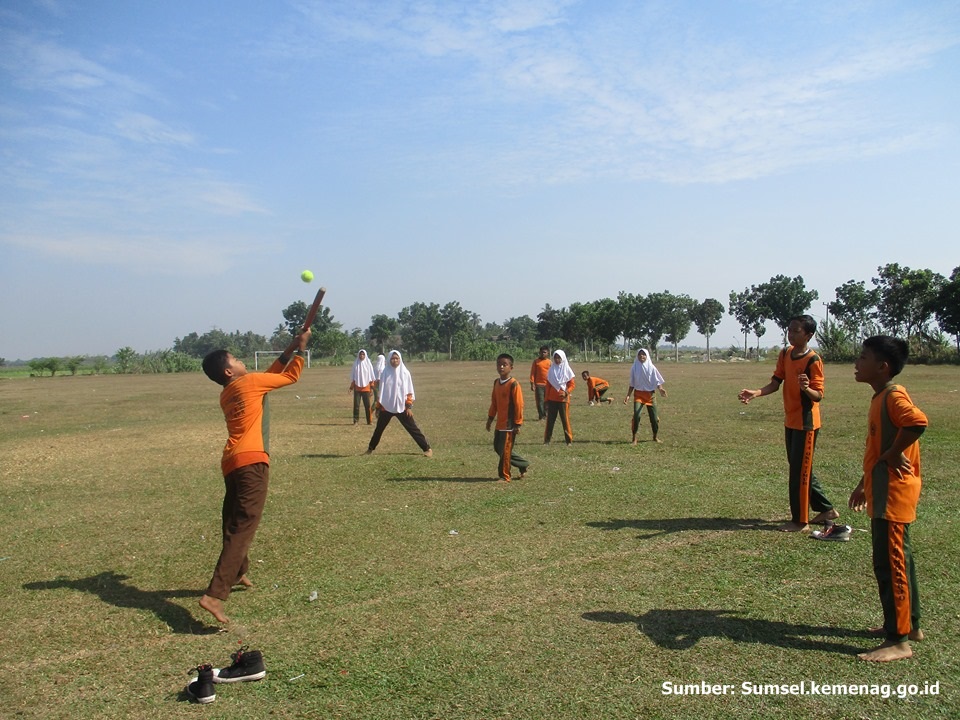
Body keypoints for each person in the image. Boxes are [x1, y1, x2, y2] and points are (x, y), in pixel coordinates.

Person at [198, 328, 311, 624]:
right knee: (243, 527)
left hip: (232, 463)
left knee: (233, 521)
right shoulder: (248, 383)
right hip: (252, 464)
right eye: (235, 359)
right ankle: (214, 595)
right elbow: (289, 377)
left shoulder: (229, 392)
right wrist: (300, 352)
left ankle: (238, 572)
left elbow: (270, 375)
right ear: (228, 370)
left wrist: (291, 346)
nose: (241, 360)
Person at [848, 336, 928, 662]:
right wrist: (864, 485)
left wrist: (895, 453)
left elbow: (917, 422)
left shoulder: (893, 397)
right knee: (900, 562)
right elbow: (878, 449)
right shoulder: (880, 396)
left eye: (864, 357)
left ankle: (898, 641)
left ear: (882, 367)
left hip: (893, 496)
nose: (857, 362)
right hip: (881, 491)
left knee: (891, 564)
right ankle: (912, 625)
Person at [738, 315, 838, 532]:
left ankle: (800, 521)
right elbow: (775, 383)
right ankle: (826, 509)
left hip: (806, 424)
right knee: (800, 468)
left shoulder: (813, 360)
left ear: (808, 335)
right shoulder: (785, 354)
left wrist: (805, 388)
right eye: (789, 330)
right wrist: (755, 393)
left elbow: (818, 395)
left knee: (799, 473)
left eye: (796, 331)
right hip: (791, 420)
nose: (790, 334)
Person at [366, 350, 432, 457]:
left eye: (397, 358)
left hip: (402, 407)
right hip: (386, 407)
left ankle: (427, 449)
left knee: (412, 428)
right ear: (389, 360)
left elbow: (409, 391)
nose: (394, 360)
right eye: (392, 358)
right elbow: (382, 392)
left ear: (400, 359)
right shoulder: (385, 373)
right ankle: (370, 449)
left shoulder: (405, 373)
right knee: (379, 429)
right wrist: (378, 407)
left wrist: (408, 406)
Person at [486, 353, 530, 481]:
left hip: (509, 424)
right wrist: (490, 419)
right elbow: (494, 403)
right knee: (498, 448)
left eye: (504, 364)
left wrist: (517, 423)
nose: (501, 367)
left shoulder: (513, 384)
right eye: (499, 364)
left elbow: (519, 404)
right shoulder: (496, 382)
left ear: (511, 367)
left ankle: (505, 476)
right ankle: (523, 464)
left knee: (505, 451)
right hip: (499, 423)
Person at [623, 348, 666, 444]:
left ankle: (655, 436)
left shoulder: (652, 367)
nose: (641, 356)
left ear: (647, 356)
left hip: (650, 395)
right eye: (640, 354)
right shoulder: (634, 367)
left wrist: (660, 389)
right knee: (637, 415)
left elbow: (657, 380)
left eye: (644, 354)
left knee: (654, 419)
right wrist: (628, 396)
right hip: (638, 395)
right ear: (637, 356)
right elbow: (632, 383)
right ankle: (634, 438)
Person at [543, 349, 575, 445]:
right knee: (550, 421)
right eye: (555, 358)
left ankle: (568, 441)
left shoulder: (567, 370)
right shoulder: (551, 370)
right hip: (552, 399)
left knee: (565, 420)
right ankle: (547, 441)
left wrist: (566, 392)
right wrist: (546, 400)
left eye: (559, 358)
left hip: (563, 400)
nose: (557, 360)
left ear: (563, 358)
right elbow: (548, 386)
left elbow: (572, 385)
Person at [349, 349, 376, 425]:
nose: (362, 356)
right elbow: (353, 376)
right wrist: (351, 387)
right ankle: (355, 421)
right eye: (360, 354)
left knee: (367, 405)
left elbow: (371, 376)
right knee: (356, 405)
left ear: (365, 355)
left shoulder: (368, 364)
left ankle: (369, 421)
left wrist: (372, 388)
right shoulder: (355, 364)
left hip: (366, 388)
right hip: (357, 388)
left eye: (363, 354)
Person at [529, 346, 551, 420]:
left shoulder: (549, 362)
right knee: (540, 401)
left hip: (548, 385)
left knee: (547, 401)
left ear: (548, 353)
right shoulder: (536, 362)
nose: (543, 354)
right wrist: (532, 383)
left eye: (544, 352)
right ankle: (541, 416)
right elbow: (533, 373)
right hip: (539, 385)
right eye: (541, 352)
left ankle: (547, 414)